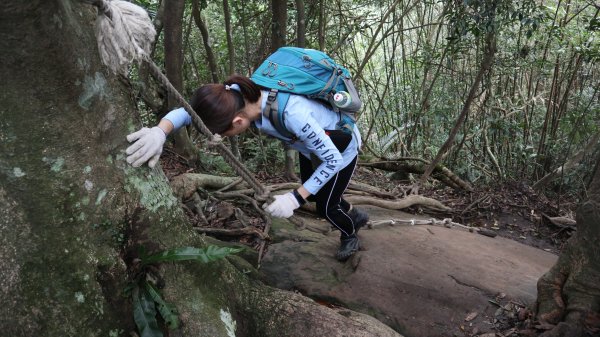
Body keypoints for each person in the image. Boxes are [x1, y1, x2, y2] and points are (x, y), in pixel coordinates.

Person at [125, 75, 369, 261]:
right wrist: (161, 131)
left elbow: (332, 161)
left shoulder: (293, 114)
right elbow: (189, 113)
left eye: (223, 132)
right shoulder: (237, 93)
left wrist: (294, 199)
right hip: (311, 147)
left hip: (341, 149)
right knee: (316, 193)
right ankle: (352, 212)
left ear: (238, 122)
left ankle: (349, 234)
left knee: (325, 206)